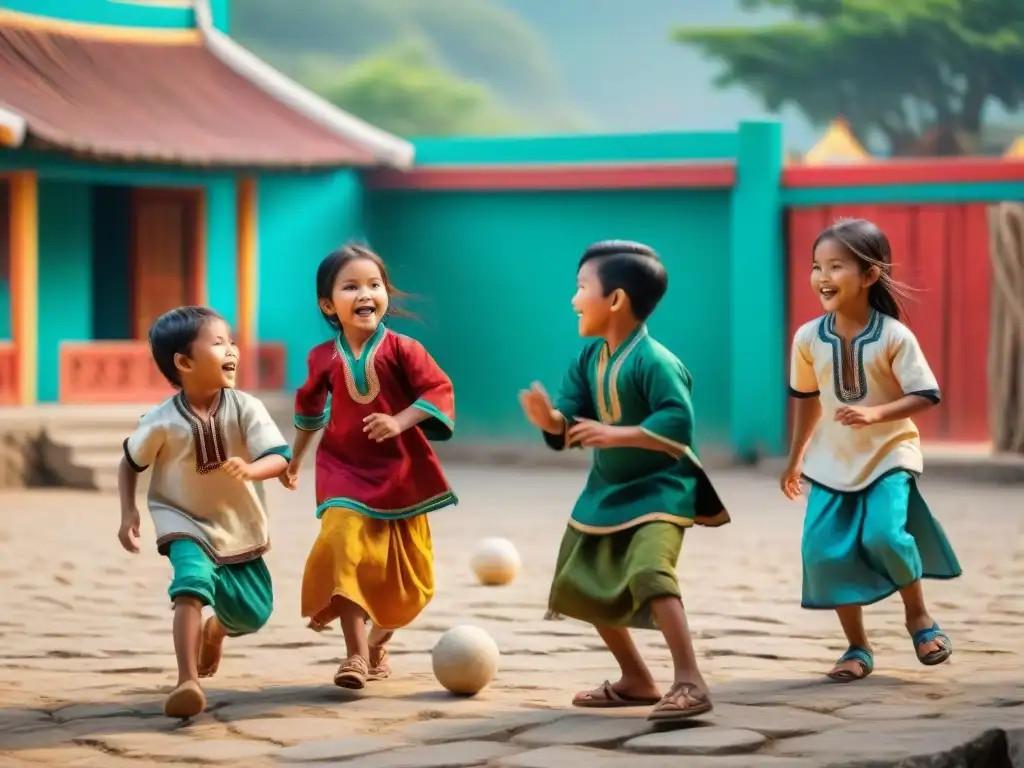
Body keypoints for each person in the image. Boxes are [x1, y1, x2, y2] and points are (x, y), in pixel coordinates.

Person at [519, 240, 730, 722]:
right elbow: (570, 417)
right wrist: (550, 421)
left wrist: (618, 434)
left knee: (649, 573)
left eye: (581, 288)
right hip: (606, 493)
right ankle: (636, 678)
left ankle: (690, 680)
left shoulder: (655, 361)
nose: (573, 300)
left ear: (614, 300)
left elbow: (677, 424)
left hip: (662, 489)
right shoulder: (587, 361)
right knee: (580, 581)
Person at [781, 218, 962, 683]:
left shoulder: (894, 337)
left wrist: (874, 415)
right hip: (831, 462)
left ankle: (918, 617)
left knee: (884, 535)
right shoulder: (806, 339)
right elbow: (805, 403)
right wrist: (796, 458)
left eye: (836, 266)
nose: (822, 276)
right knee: (822, 551)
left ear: (869, 275)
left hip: (889, 455)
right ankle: (857, 646)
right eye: (816, 266)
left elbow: (925, 393)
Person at [281, 243, 456, 690]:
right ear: (328, 304)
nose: (366, 293)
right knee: (342, 543)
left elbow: (437, 390)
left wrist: (400, 421)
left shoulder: (404, 348)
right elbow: (309, 413)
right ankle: (355, 655)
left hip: (401, 475)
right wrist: (295, 461)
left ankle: (379, 641)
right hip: (343, 471)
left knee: (412, 584)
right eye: (351, 286)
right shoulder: (322, 357)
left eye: (374, 284)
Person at [117, 306, 291, 719]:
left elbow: (280, 457)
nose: (232, 349)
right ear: (184, 362)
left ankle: (216, 631)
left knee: (253, 613)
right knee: (190, 585)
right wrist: (129, 513)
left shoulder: (246, 407)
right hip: (181, 517)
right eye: (218, 343)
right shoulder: (160, 421)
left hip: (236, 522)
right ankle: (187, 681)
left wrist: (252, 468)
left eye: (232, 341)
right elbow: (129, 462)